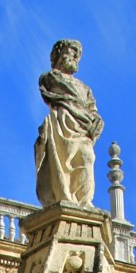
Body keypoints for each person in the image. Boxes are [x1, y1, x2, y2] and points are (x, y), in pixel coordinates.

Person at [35, 39, 104, 208]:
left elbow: (93, 110)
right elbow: (52, 95)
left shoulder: (85, 89)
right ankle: (65, 196)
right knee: (62, 159)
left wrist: (95, 121)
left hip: (82, 129)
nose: (75, 56)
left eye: (77, 53)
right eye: (71, 50)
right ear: (59, 54)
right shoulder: (49, 79)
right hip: (62, 124)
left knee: (87, 157)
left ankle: (84, 201)